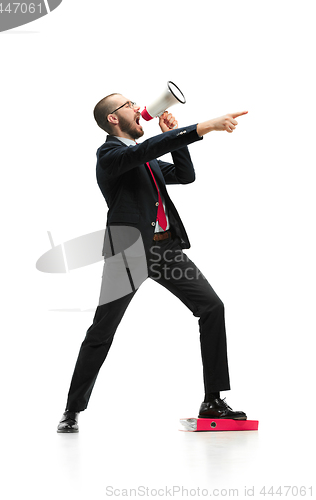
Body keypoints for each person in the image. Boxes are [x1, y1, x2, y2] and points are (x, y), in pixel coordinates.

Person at [57, 93, 248, 433]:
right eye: (127, 105)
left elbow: (185, 175)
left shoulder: (144, 160)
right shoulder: (110, 155)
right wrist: (203, 128)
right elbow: (142, 151)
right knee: (102, 332)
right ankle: (72, 409)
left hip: (164, 251)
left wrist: (175, 139)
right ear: (113, 119)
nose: (136, 106)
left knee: (212, 307)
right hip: (128, 255)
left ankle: (212, 400)